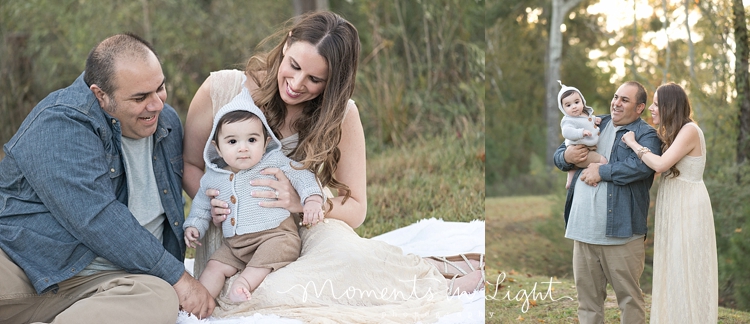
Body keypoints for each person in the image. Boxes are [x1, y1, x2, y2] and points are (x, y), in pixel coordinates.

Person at [182, 11, 483, 322]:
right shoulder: (222, 89)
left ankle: (433, 277)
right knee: (271, 294)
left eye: (315, 79)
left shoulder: (341, 114)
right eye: (295, 66)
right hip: (235, 232)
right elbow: (190, 164)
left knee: (346, 258)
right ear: (287, 45)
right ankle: (415, 269)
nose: (297, 84)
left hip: (304, 225)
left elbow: (356, 208)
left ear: (333, 82)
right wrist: (221, 203)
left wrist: (302, 203)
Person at [0, 33, 215, 323]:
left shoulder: (168, 124)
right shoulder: (60, 123)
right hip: (27, 265)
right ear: (100, 94)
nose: (156, 105)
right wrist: (179, 276)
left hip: (110, 286)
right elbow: (97, 217)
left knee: (158, 298)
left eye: (160, 88)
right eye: (140, 97)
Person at [184, 88, 325, 303]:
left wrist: (312, 199)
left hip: (276, 235)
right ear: (218, 148)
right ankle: (198, 303)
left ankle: (244, 284)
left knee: (275, 251)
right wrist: (194, 225)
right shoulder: (213, 177)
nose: (243, 149)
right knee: (215, 265)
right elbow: (202, 205)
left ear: (265, 142)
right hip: (236, 244)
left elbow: (303, 175)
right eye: (232, 142)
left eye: (251, 140)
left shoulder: (273, 160)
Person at [553, 81, 662, 324]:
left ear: (640, 107)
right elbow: (560, 155)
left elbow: (642, 167)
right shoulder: (594, 123)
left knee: (630, 300)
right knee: (588, 304)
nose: (616, 103)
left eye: (625, 100)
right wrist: (566, 156)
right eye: (615, 97)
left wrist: (602, 172)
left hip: (622, 234)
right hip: (582, 231)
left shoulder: (646, 135)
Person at [621, 83, 718, 323]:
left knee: (687, 263)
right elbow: (654, 169)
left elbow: (661, 165)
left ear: (669, 106)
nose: (651, 109)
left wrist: (634, 144)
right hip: (673, 202)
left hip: (689, 205)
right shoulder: (672, 133)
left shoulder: (689, 130)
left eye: (655, 104)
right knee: (673, 263)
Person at [558, 81, 608, 189]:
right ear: (563, 108)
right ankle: (593, 173)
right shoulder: (568, 120)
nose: (574, 107)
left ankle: (570, 182)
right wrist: (581, 132)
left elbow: (587, 120)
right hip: (582, 151)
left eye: (576, 102)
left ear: (582, 101)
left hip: (583, 149)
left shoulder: (584, 114)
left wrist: (595, 119)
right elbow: (566, 132)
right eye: (568, 105)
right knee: (603, 161)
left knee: (573, 167)